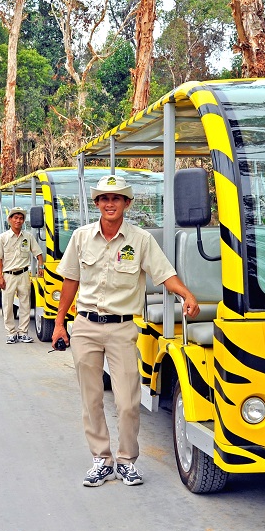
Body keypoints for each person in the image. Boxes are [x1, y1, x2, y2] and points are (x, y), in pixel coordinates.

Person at [53, 174, 200, 487]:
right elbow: (70, 282)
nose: (110, 204)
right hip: (86, 327)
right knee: (91, 398)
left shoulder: (141, 240)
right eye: (104, 199)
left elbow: (164, 275)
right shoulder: (81, 237)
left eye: (116, 198)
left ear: (127, 204)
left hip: (122, 329)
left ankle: (126, 460)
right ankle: (101, 460)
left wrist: (186, 294)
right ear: (97, 204)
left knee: (128, 401)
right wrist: (59, 323)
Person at [0, 207, 44, 344]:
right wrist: (0, 276)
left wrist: (41, 266)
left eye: (21, 218)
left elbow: (38, 253)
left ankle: (23, 333)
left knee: (25, 304)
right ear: (10, 220)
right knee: (8, 305)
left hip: (23, 274)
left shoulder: (28, 237)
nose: (18, 220)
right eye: (15, 218)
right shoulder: (3, 238)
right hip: (8, 275)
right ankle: (11, 333)